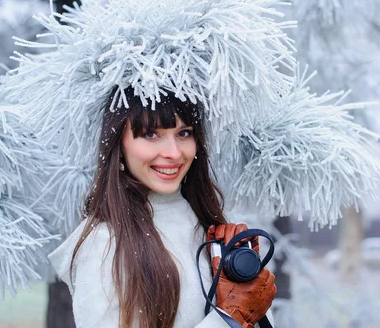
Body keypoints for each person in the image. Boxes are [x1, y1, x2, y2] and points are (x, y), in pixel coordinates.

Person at [48, 88, 277, 328]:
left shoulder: (207, 226)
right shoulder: (104, 243)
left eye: (184, 133)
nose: (174, 153)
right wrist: (229, 318)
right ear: (118, 142)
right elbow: (233, 318)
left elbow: (248, 317)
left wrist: (245, 284)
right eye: (150, 134)